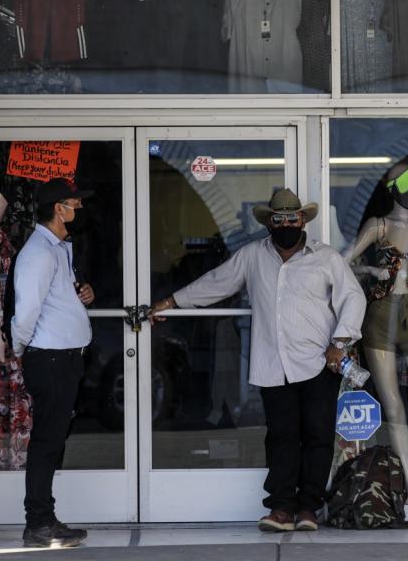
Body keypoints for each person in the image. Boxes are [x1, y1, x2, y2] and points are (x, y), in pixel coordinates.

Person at [149, 188, 366, 532]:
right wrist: (172, 302)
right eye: (278, 219)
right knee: (280, 437)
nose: (285, 225)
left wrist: (340, 343)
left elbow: (354, 300)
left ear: (302, 221)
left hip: (317, 363)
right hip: (272, 365)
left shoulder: (326, 259)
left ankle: (308, 507)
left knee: (317, 436)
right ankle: (281, 508)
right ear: (269, 223)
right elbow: (216, 283)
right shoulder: (252, 256)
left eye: (292, 219)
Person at [11, 178, 95, 548]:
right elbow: (26, 312)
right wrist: (19, 347)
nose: (79, 209)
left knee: (53, 440)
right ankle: (37, 524)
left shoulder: (57, 250)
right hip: (50, 359)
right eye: (75, 203)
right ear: (58, 209)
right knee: (46, 441)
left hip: (62, 358)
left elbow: (55, 300)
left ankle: (45, 518)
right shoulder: (39, 253)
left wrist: (84, 298)